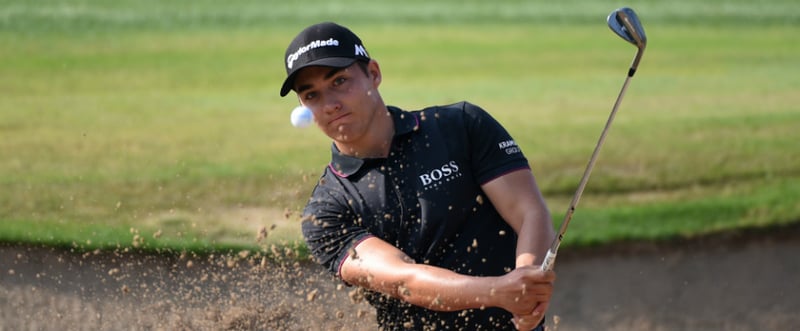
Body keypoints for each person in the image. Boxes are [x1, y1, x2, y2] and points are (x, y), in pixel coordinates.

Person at [279, 22, 557, 331]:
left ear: (373, 73)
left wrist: (527, 282)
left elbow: (528, 210)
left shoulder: (460, 126)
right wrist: (500, 291)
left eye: (340, 81)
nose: (330, 104)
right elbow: (403, 279)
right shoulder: (326, 211)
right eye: (311, 95)